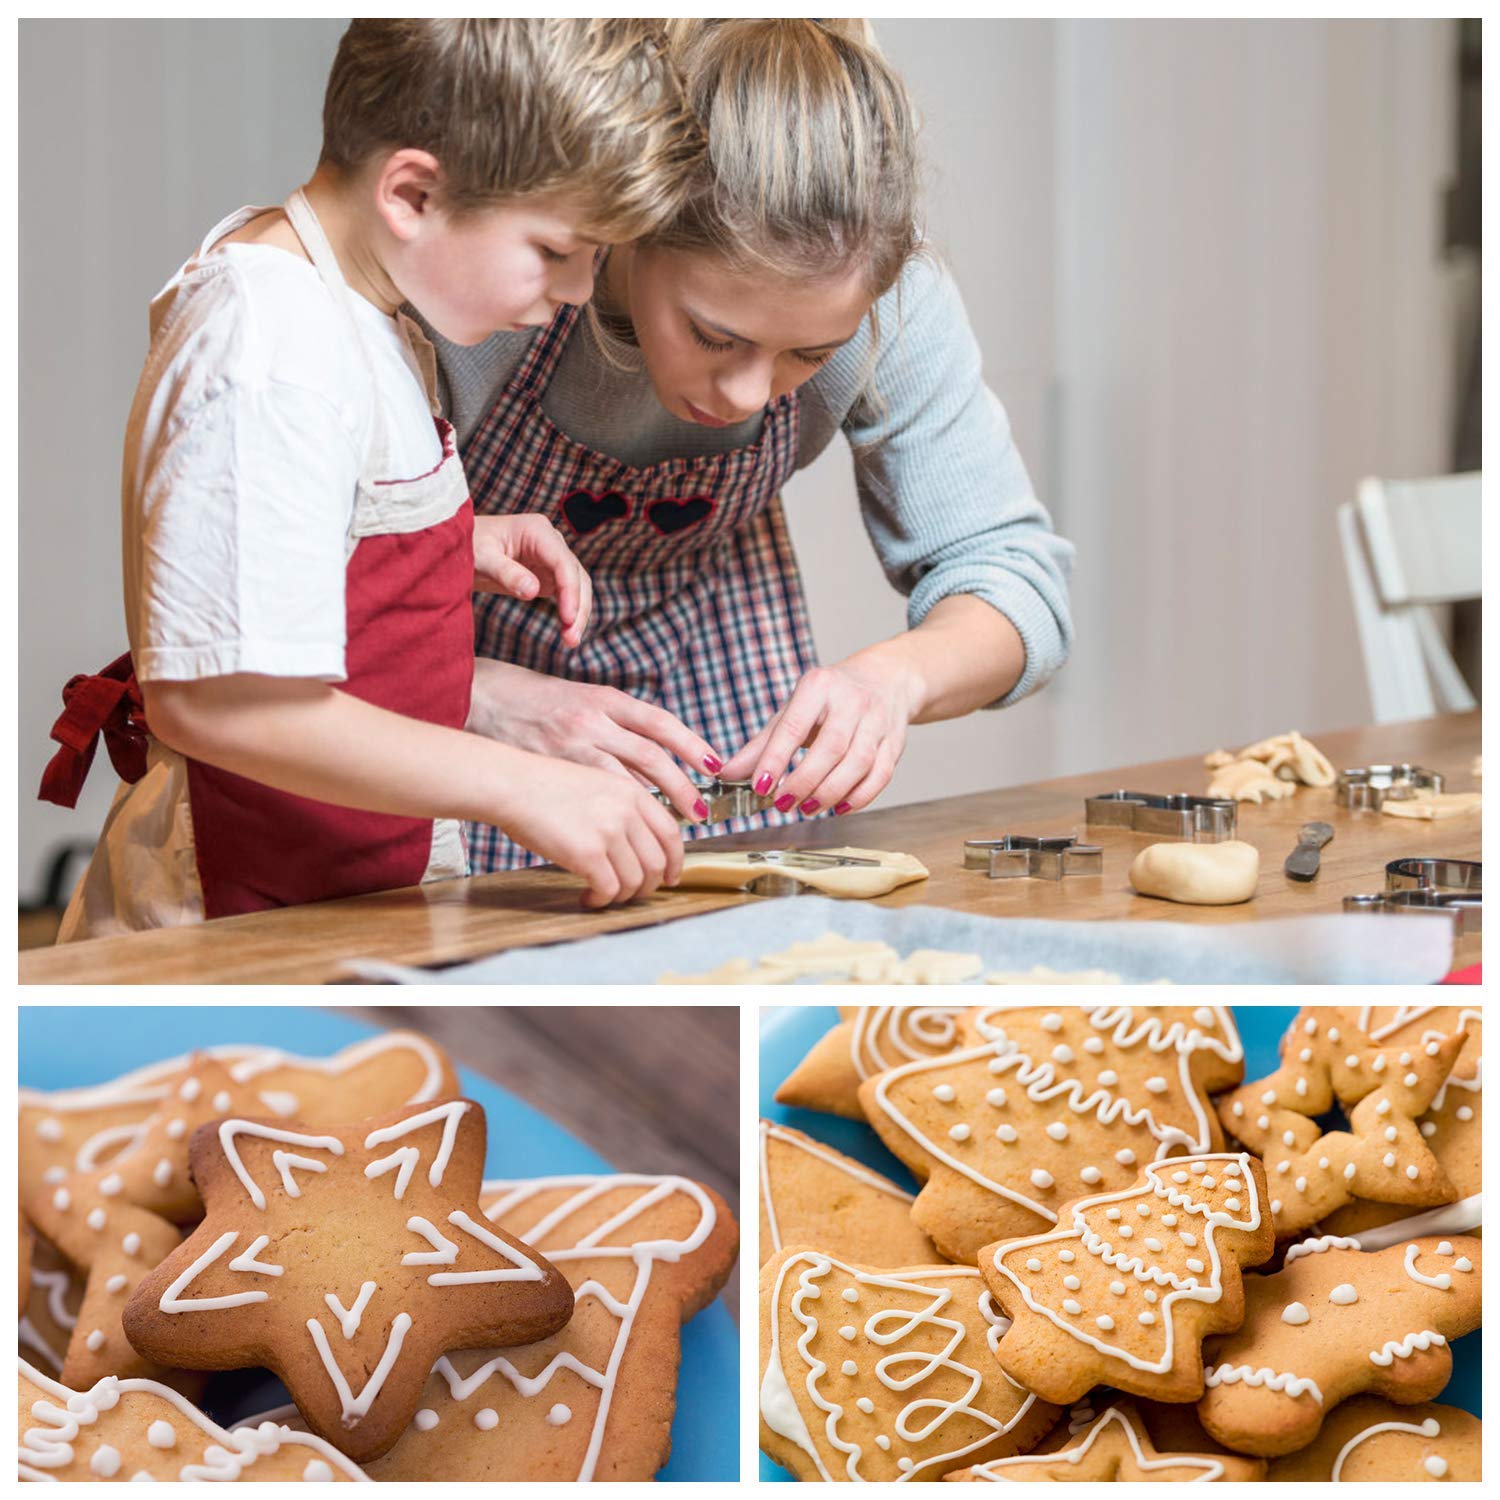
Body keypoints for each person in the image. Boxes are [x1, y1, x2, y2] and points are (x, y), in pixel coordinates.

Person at [41, 19, 704, 940]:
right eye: (558, 251)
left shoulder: (361, 305)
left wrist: (437, 544)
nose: (581, 292)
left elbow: (291, 520)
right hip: (225, 919)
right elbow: (222, 702)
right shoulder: (269, 345)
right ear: (414, 193)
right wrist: (524, 785)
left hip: (334, 904)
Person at [434, 19, 1077, 871]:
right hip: (434, 685)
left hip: (715, 667)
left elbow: (1013, 577)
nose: (746, 392)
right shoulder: (501, 285)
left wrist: (894, 680)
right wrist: (478, 696)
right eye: (712, 334)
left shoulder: (895, 304)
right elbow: (290, 596)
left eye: (806, 354)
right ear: (630, 227)